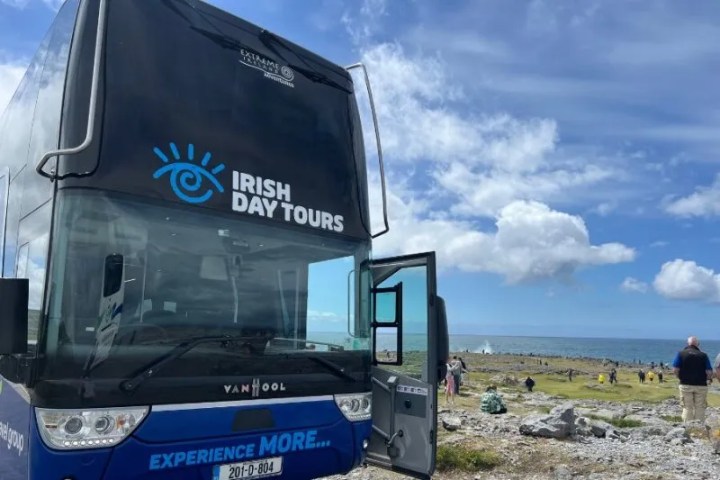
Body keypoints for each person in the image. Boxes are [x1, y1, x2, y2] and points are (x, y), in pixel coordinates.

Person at [672, 336, 713, 423]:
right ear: (698, 344)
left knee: (687, 407)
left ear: (687, 343)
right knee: (700, 407)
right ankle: (699, 428)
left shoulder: (681, 354)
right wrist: (708, 379)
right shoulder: (703, 355)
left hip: (685, 384)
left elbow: (675, 369)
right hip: (701, 385)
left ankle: (688, 427)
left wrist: (680, 377)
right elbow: (709, 371)